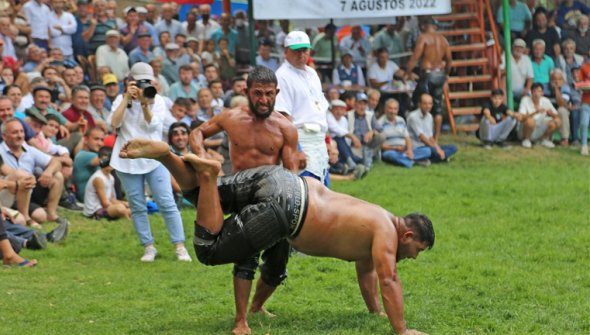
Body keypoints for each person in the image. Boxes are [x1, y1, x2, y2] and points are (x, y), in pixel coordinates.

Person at [119, 140, 434, 335]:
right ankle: (208, 174)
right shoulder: (387, 236)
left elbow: (367, 272)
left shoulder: (377, 217)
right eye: (417, 249)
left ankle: (167, 157)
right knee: (209, 249)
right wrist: (402, 330)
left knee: (203, 196)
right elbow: (388, 278)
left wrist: (376, 311)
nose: (414, 257)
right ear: (407, 234)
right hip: (289, 210)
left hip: (283, 180)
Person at [182, 66, 302, 335]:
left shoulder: (286, 129)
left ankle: (256, 306)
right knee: (246, 256)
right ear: (246, 92)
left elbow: (291, 175)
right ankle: (240, 321)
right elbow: (197, 133)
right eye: (257, 93)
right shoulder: (231, 118)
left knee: (278, 263)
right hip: (239, 193)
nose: (263, 100)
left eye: (269, 94)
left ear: (277, 93)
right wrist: (202, 156)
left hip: (272, 198)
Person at [108, 62, 191, 263]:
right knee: (137, 205)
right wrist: (127, 98)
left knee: (166, 201)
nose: (145, 86)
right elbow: (114, 123)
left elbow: (154, 125)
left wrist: (145, 104)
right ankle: (148, 247)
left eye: (148, 81)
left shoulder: (158, 100)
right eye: (140, 82)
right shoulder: (121, 99)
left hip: (154, 157)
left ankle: (180, 246)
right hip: (127, 158)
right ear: (130, 82)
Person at [275, 31, 328, 184]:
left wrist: (328, 141)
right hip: (301, 137)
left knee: (324, 192)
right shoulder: (282, 76)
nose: (301, 54)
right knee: (307, 192)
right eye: (296, 50)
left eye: (305, 50)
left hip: (319, 139)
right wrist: (296, 148)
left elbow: (320, 111)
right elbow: (283, 117)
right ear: (286, 52)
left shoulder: (312, 73)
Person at [406, 18, 452, 142]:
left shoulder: (423, 38)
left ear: (424, 26)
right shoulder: (443, 39)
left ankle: (421, 135)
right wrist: (446, 74)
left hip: (427, 74)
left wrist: (407, 72)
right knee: (437, 108)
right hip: (440, 75)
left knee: (419, 103)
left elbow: (415, 57)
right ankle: (435, 138)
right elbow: (449, 60)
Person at [379, 99, 432, 168]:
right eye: (390, 108)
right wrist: (395, 148)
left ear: (398, 110)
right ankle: (414, 161)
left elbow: (407, 138)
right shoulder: (380, 123)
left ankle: (406, 159)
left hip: (405, 150)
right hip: (391, 150)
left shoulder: (401, 120)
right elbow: (380, 145)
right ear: (385, 109)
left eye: (395, 109)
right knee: (389, 155)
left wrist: (409, 150)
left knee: (427, 151)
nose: (393, 111)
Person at [82, 147, 130, 220]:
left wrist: (124, 204)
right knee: (120, 208)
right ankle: (127, 215)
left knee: (128, 205)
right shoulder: (98, 178)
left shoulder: (111, 177)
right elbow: (104, 203)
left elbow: (111, 199)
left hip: (106, 206)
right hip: (95, 211)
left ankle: (126, 212)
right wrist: (120, 206)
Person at [407, 94, 457, 163]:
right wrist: (436, 149)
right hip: (417, 147)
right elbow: (422, 137)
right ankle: (438, 158)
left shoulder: (429, 116)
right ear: (419, 104)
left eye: (430, 104)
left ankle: (432, 159)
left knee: (453, 147)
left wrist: (438, 148)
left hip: (428, 145)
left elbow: (430, 137)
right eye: (425, 104)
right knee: (429, 151)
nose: (428, 106)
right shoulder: (413, 117)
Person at [517, 83, 561, 148]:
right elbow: (521, 118)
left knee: (557, 121)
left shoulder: (546, 101)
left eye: (539, 91)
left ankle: (544, 139)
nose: (536, 94)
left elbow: (557, 116)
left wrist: (551, 114)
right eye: (534, 91)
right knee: (530, 121)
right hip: (525, 129)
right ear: (531, 92)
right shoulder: (525, 100)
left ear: (542, 93)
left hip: (539, 127)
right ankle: (526, 139)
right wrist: (536, 112)